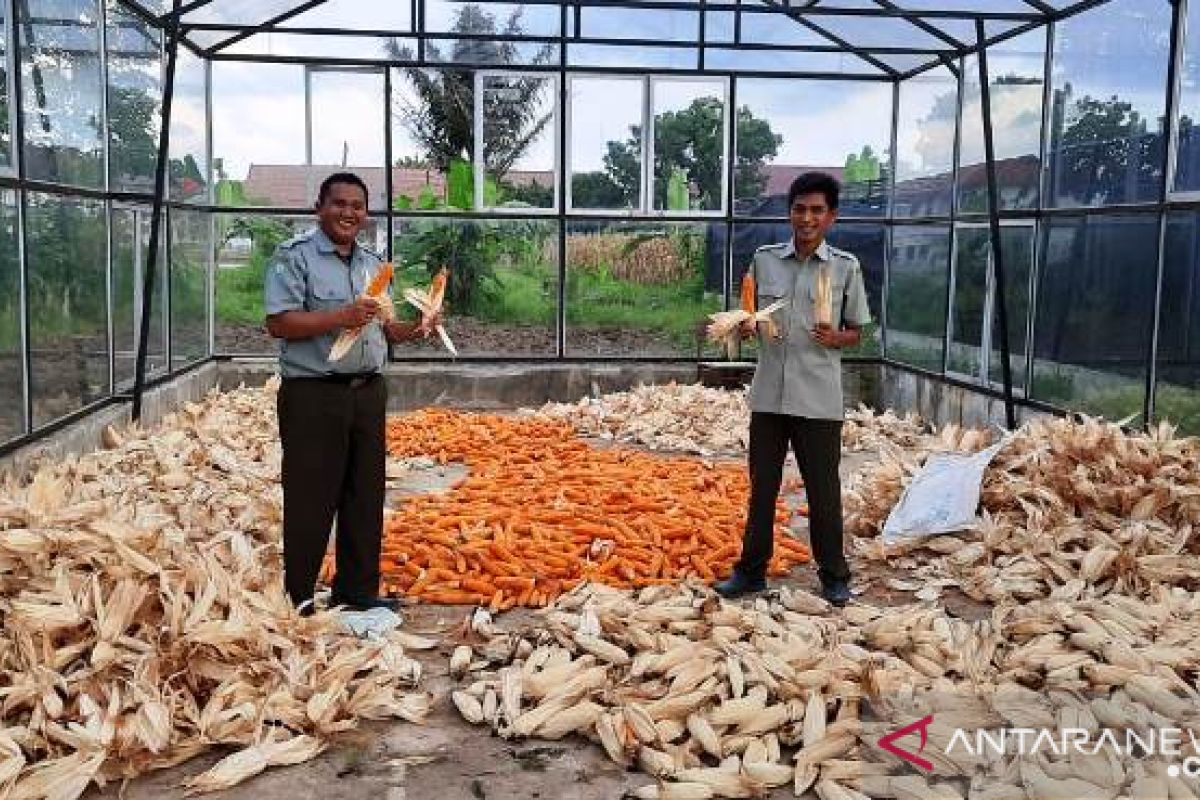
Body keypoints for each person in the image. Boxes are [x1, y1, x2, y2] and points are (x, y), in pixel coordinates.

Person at [264, 172, 438, 613]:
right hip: (314, 395)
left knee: (365, 495)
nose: (348, 212)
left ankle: (357, 592)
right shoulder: (295, 257)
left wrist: (419, 327)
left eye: (357, 206)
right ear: (319, 208)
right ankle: (298, 598)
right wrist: (342, 314)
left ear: (366, 214)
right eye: (339, 203)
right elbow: (279, 323)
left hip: (366, 392)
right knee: (311, 497)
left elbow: (386, 329)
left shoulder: (374, 264)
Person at [714, 172, 871, 606]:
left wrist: (834, 337)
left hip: (818, 398)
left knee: (823, 491)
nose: (807, 218)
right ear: (790, 213)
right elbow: (751, 320)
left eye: (817, 210)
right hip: (768, 396)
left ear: (831, 216)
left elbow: (857, 331)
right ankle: (750, 572)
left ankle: (834, 575)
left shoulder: (845, 267)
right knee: (762, 487)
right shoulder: (764, 261)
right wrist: (744, 327)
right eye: (800, 209)